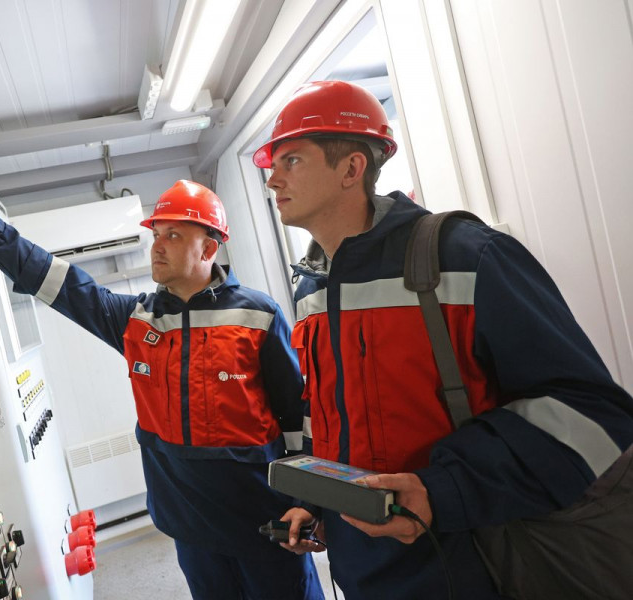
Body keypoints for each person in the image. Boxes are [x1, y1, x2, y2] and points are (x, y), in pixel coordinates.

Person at [254, 80, 633, 599]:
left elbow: (590, 412)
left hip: (472, 562)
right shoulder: (313, 289)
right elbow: (334, 415)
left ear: (351, 169)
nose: (272, 180)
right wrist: (322, 504)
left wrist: (444, 490)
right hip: (364, 564)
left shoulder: (465, 257)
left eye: (291, 160)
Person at [0, 177, 324, 600]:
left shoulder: (257, 315)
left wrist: (310, 502)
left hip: (262, 520)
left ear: (208, 248)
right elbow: (60, 283)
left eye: (173, 235)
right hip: (189, 525)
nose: (157, 245)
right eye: (156, 234)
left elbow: (299, 414)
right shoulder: (137, 320)